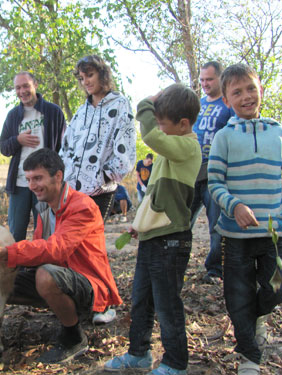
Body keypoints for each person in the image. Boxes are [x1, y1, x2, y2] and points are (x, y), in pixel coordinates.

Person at [0, 148, 122, 364]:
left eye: (38, 178)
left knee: (45, 276)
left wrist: (6, 253)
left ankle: (74, 337)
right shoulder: (45, 210)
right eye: (29, 179)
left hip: (90, 284)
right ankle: (63, 309)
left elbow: (55, 249)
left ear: (58, 176)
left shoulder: (83, 206)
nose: (32, 186)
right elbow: (38, 249)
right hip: (61, 276)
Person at [104, 84, 201, 375]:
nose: (157, 130)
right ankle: (139, 353)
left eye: (162, 124)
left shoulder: (188, 147)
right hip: (153, 237)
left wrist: (147, 103)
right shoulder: (168, 154)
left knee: (167, 303)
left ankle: (175, 363)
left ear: (183, 124)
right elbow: (156, 198)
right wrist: (138, 225)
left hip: (171, 240)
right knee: (142, 299)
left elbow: (148, 134)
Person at [207, 64, 282, 375]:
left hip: (275, 233)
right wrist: (235, 205)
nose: (246, 96)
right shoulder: (224, 137)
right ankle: (249, 357)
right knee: (237, 294)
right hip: (236, 235)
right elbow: (214, 182)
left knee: (280, 287)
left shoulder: (279, 132)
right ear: (227, 100)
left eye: (251, 89)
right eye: (237, 92)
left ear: (261, 91)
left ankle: (255, 317)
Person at [59, 55, 136, 220]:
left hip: (100, 192)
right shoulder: (81, 112)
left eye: (90, 75)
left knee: (90, 242)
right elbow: (65, 147)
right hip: (71, 192)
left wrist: (104, 176)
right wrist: (62, 178)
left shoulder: (120, 104)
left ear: (102, 74)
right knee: (69, 242)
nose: (85, 81)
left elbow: (125, 148)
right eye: (81, 78)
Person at [0, 71, 66, 242]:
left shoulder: (53, 112)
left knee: (44, 232)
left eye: (26, 86)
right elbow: (4, 147)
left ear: (35, 85)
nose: (22, 91)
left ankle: (41, 268)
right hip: (20, 183)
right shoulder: (13, 115)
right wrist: (18, 140)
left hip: (45, 183)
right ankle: (17, 268)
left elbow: (63, 148)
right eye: (18, 88)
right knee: (15, 233)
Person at [190, 61, 234, 283]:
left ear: (220, 78)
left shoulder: (228, 105)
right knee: (182, 222)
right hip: (192, 172)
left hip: (215, 174)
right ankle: (177, 264)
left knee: (216, 224)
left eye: (210, 79)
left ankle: (215, 269)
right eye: (202, 80)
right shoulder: (198, 104)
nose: (205, 84)